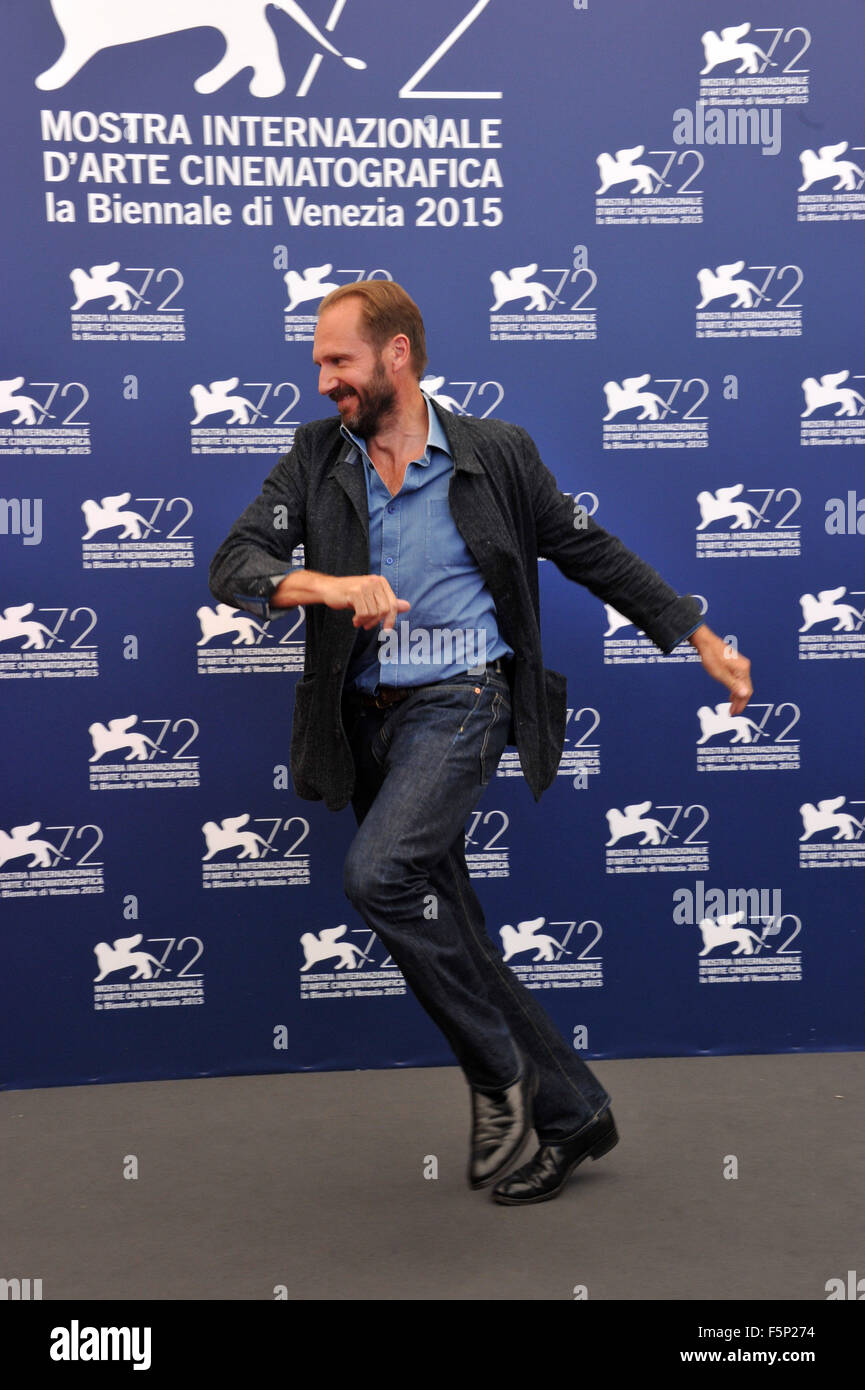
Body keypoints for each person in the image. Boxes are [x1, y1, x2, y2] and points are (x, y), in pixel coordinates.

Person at [209, 281, 753, 1205]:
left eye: (337, 363)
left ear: (397, 356)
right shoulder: (312, 456)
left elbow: (591, 551)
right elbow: (234, 567)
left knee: (378, 878)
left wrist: (691, 631)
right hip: (366, 721)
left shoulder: (496, 453)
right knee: (453, 929)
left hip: (462, 701)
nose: (323, 383)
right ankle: (572, 1109)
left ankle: (496, 1070)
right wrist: (330, 586)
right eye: (318, 366)